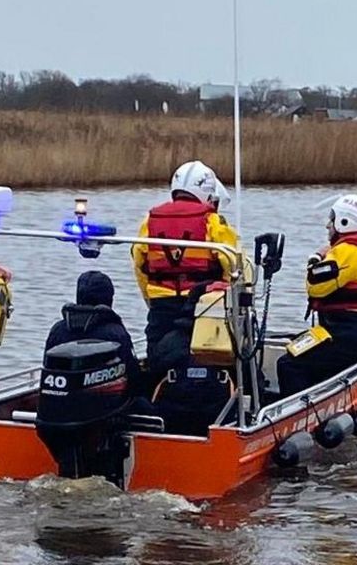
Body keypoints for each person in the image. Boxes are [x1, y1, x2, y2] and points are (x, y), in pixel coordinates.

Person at [130, 160, 239, 381]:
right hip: (203, 306)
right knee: (212, 359)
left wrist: (150, 299)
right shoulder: (212, 221)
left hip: (161, 307)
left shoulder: (150, 221)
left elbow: (140, 265)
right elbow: (233, 264)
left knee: (157, 360)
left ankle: (157, 396)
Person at [276, 194, 357, 397]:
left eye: (332, 218)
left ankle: (295, 415)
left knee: (289, 364)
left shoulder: (349, 251)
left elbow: (316, 287)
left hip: (351, 329)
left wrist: (315, 259)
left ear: (344, 221)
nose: (327, 225)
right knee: (298, 347)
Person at [44, 270, 144, 395]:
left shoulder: (58, 330)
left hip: (59, 405)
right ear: (109, 299)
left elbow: (47, 368)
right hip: (107, 407)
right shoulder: (116, 333)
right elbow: (133, 377)